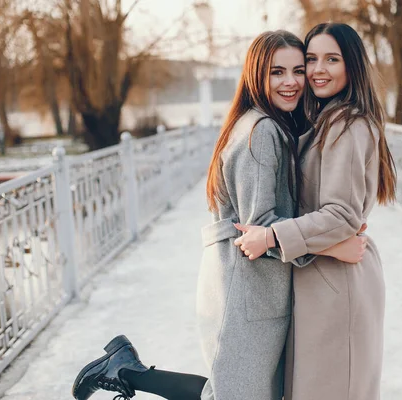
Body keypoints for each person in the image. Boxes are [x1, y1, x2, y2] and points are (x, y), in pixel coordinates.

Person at [71, 30, 366, 400]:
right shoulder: (261, 132)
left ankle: (126, 369)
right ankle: (127, 371)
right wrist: (333, 247)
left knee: (231, 392)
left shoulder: (263, 124)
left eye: (296, 70)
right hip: (247, 291)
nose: (291, 82)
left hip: (253, 290)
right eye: (277, 72)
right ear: (256, 74)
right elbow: (257, 231)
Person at [234, 22, 397, 400]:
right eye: (311, 59)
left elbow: (342, 216)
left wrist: (273, 235)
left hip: (338, 287)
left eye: (332, 59)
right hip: (322, 274)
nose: (318, 69)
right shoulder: (323, 122)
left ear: (351, 66)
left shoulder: (348, 126)